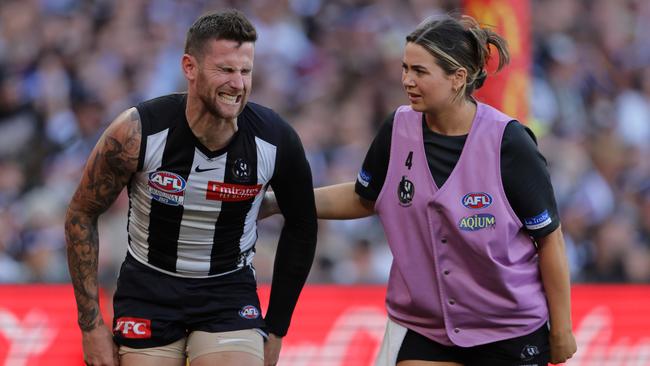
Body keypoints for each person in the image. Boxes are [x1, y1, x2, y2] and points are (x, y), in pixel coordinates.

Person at [262, 14, 577, 366]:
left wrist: (561, 329)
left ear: (458, 78)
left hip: (508, 329)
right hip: (427, 328)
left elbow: (550, 239)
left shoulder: (511, 142)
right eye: (405, 68)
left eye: (420, 71)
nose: (406, 80)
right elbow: (364, 196)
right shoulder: (397, 128)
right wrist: (279, 202)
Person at [64, 9, 317, 366]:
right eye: (226, 70)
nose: (239, 84)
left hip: (227, 291)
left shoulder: (275, 140)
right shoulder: (137, 132)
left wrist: (276, 328)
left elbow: (303, 224)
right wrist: (90, 326)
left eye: (246, 71)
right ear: (189, 67)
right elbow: (81, 213)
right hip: (148, 287)